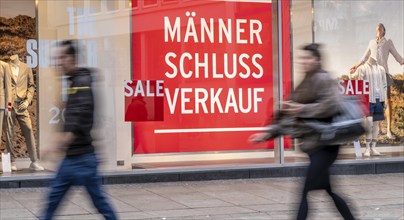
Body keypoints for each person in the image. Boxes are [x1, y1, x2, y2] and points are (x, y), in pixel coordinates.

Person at [250, 44, 355, 220]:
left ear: (317, 60)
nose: (304, 62)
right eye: (302, 58)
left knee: (305, 191)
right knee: (329, 191)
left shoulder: (323, 78)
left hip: (326, 146)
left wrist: (302, 109)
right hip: (316, 147)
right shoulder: (305, 82)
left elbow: (330, 105)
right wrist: (268, 133)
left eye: (308, 58)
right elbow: (288, 117)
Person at [41, 40, 117, 220]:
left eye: (61, 58)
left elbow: (77, 121)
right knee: (53, 202)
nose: (57, 62)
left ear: (72, 58)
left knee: (99, 203)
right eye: (56, 58)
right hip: (76, 157)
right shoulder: (75, 82)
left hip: (81, 159)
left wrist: (54, 146)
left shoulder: (80, 83)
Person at [350, 23, 404, 139]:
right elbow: (364, 57)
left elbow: (397, 55)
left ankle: (389, 131)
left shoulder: (388, 42)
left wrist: (402, 61)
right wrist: (355, 66)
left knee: (388, 101)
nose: (378, 27)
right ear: (376, 30)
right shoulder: (371, 43)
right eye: (377, 27)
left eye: (381, 27)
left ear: (384, 31)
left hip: (384, 74)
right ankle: (379, 129)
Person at [6, 54, 44, 171]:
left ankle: (34, 161)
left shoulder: (26, 67)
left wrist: (28, 101)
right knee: (9, 133)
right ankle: (11, 161)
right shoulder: (5, 67)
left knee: (28, 131)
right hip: (9, 105)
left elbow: (31, 86)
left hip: (22, 104)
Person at [353, 57, 387, 157]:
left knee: (376, 124)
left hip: (379, 99)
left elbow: (384, 85)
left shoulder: (381, 69)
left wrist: (383, 100)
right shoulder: (362, 68)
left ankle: (373, 147)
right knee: (369, 124)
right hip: (368, 99)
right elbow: (359, 84)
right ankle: (367, 148)